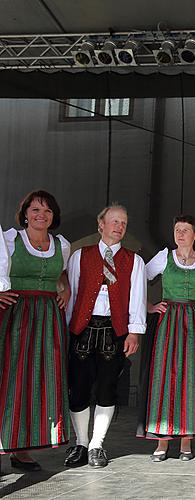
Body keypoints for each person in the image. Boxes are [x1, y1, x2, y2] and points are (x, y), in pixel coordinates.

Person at [64, 204, 147, 468]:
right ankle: (80, 443)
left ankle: (97, 445)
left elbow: (137, 298)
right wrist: (70, 328)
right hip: (83, 330)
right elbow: (73, 295)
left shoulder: (134, 261)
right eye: (114, 221)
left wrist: (134, 332)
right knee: (78, 388)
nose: (119, 226)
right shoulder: (80, 256)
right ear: (101, 224)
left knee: (107, 389)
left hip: (115, 330)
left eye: (123, 222)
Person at [138, 215, 195, 460]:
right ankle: (162, 442)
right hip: (168, 322)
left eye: (185, 230)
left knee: (191, 379)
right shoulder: (164, 256)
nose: (180, 234)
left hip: (194, 322)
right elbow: (137, 280)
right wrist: (149, 306)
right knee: (165, 378)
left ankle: (186, 441)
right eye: (177, 230)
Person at [0, 191, 71, 471]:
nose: (41, 215)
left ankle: (22, 449)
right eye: (35, 209)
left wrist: (64, 287)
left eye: (47, 211)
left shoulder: (61, 245)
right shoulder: (8, 240)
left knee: (36, 381)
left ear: (53, 217)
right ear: (25, 213)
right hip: (15, 315)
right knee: (8, 380)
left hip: (46, 318)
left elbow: (62, 272)